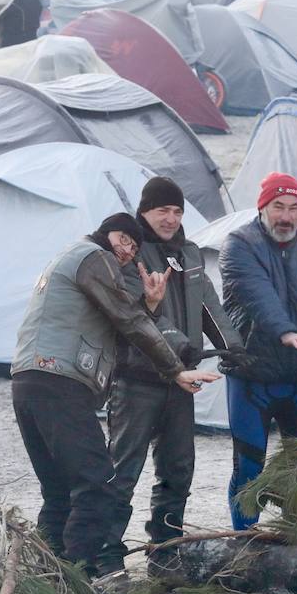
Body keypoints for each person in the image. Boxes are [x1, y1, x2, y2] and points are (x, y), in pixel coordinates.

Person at [11, 212, 220, 594]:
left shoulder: (75, 260)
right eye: (123, 239)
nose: (126, 251)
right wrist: (175, 369)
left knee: (59, 489)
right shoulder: (94, 256)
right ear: (107, 232)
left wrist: (151, 305)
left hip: (28, 383)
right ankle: (85, 579)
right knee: (97, 481)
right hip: (59, 381)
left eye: (133, 247)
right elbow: (127, 320)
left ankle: (48, 583)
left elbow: (120, 321)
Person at [102, 177, 247, 573]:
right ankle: (105, 555)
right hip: (137, 379)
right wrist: (182, 348)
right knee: (122, 471)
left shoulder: (191, 252)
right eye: (162, 210)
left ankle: (165, 553)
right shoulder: (131, 252)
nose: (170, 218)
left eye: (177, 210)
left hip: (179, 383)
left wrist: (235, 349)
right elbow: (137, 312)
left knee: (178, 469)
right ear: (144, 211)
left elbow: (208, 306)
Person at [218, 173, 297, 529]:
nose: (286, 216)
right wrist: (286, 331)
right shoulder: (238, 244)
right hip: (252, 376)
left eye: (294, 208)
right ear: (263, 208)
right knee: (249, 465)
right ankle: (245, 542)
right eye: (278, 206)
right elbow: (257, 295)